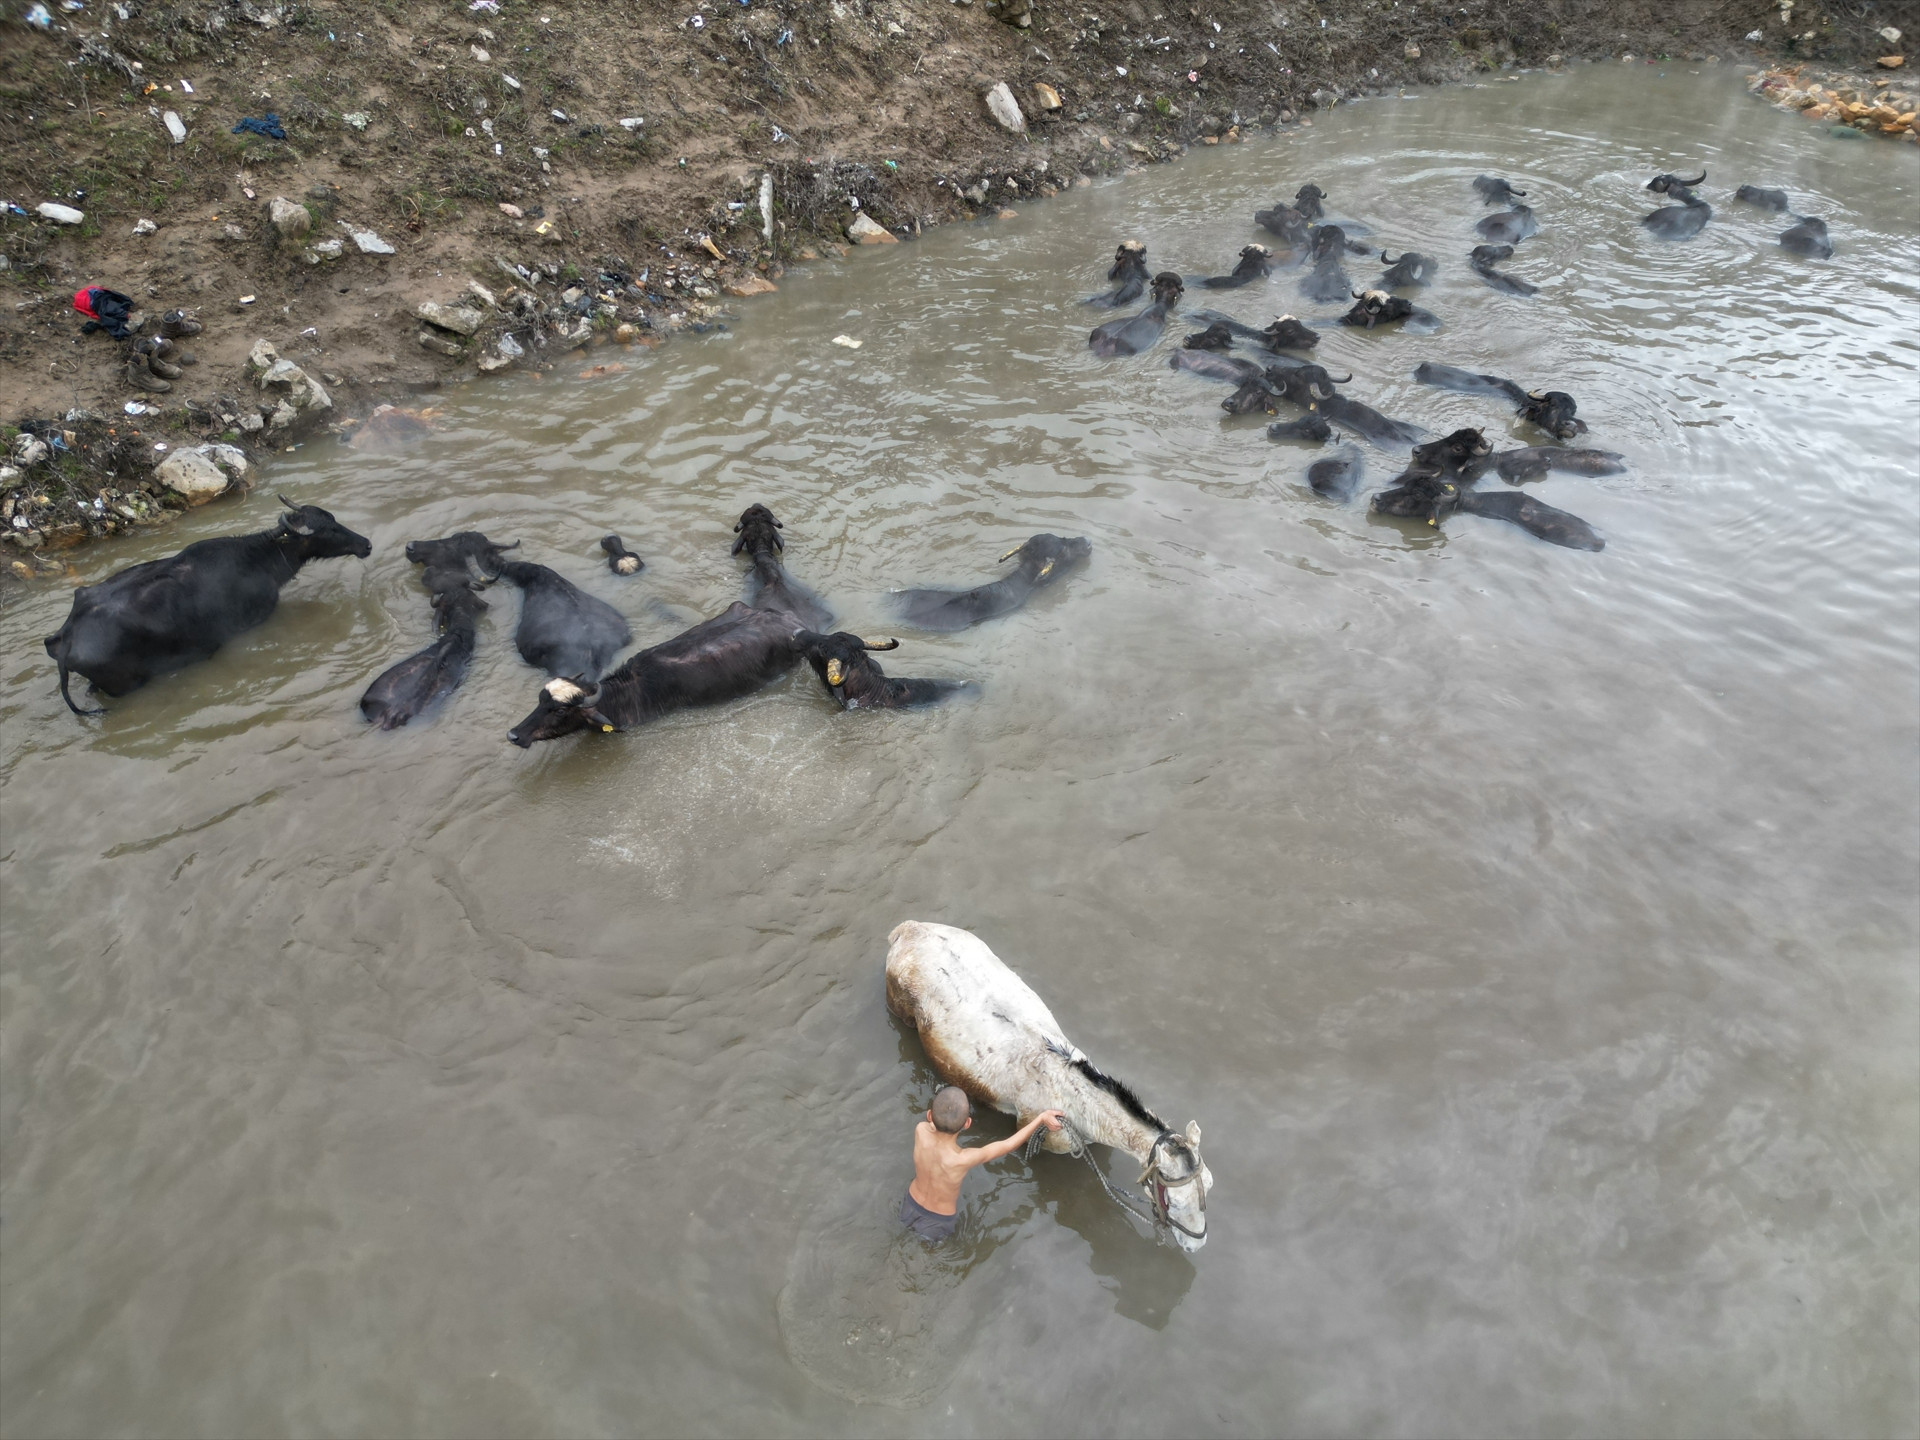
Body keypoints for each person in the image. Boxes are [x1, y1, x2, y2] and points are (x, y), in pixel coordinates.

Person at [900, 1085, 1064, 1242]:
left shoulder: (920, 1130)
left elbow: (936, 1123)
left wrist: (942, 1113)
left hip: (910, 1203)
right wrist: (1041, 1118)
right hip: (938, 1220)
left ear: (929, 1116)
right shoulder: (962, 1159)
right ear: (967, 1124)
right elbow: (1008, 1145)